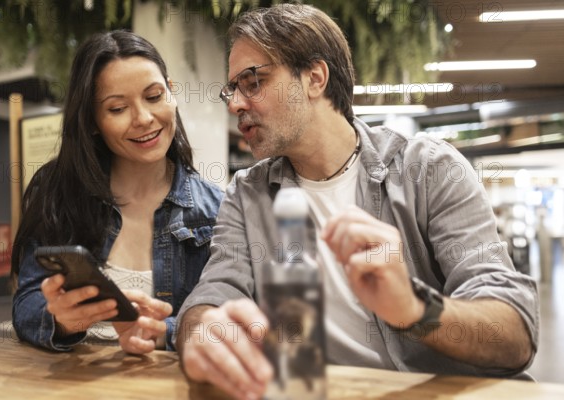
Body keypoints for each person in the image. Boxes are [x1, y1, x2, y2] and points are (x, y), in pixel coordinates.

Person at [174, 4, 539, 400]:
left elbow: (515, 330)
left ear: (315, 77)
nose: (235, 105)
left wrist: (416, 310)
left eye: (253, 82)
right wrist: (201, 334)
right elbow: (214, 293)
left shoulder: (427, 169)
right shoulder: (248, 194)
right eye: (233, 89)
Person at [11, 30, 223, 354]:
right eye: (117, 108)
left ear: (172, 91)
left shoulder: (216, 209)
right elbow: (26, 303)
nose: (143, 119)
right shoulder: (58, 194)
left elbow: (232, 318)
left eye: (154, 97)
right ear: (93, 121)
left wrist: (163, 331)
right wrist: (65, 321)